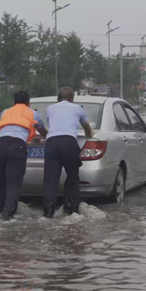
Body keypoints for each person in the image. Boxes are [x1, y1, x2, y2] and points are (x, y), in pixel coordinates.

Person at [0, 91, 48, 221]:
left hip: (0, 144)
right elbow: (41, 130)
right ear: (29, 103)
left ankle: (3, 211)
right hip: (17, 145)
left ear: (13, 102)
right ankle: (7, 216)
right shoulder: (32, 113)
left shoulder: (6, 111)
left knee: (4, 181)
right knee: (14, 183)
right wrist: (48, 137)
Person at [43, 87, 94, 218]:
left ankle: (48, 213)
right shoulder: (78, 108)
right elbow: (86, 126)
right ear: (72, 99)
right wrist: (90, 135)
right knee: (72, 177)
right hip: (68, 143)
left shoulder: (50, 108)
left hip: (51, 143)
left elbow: (52, 125)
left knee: (50, 179)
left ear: (57, 99)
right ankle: (71, 211)